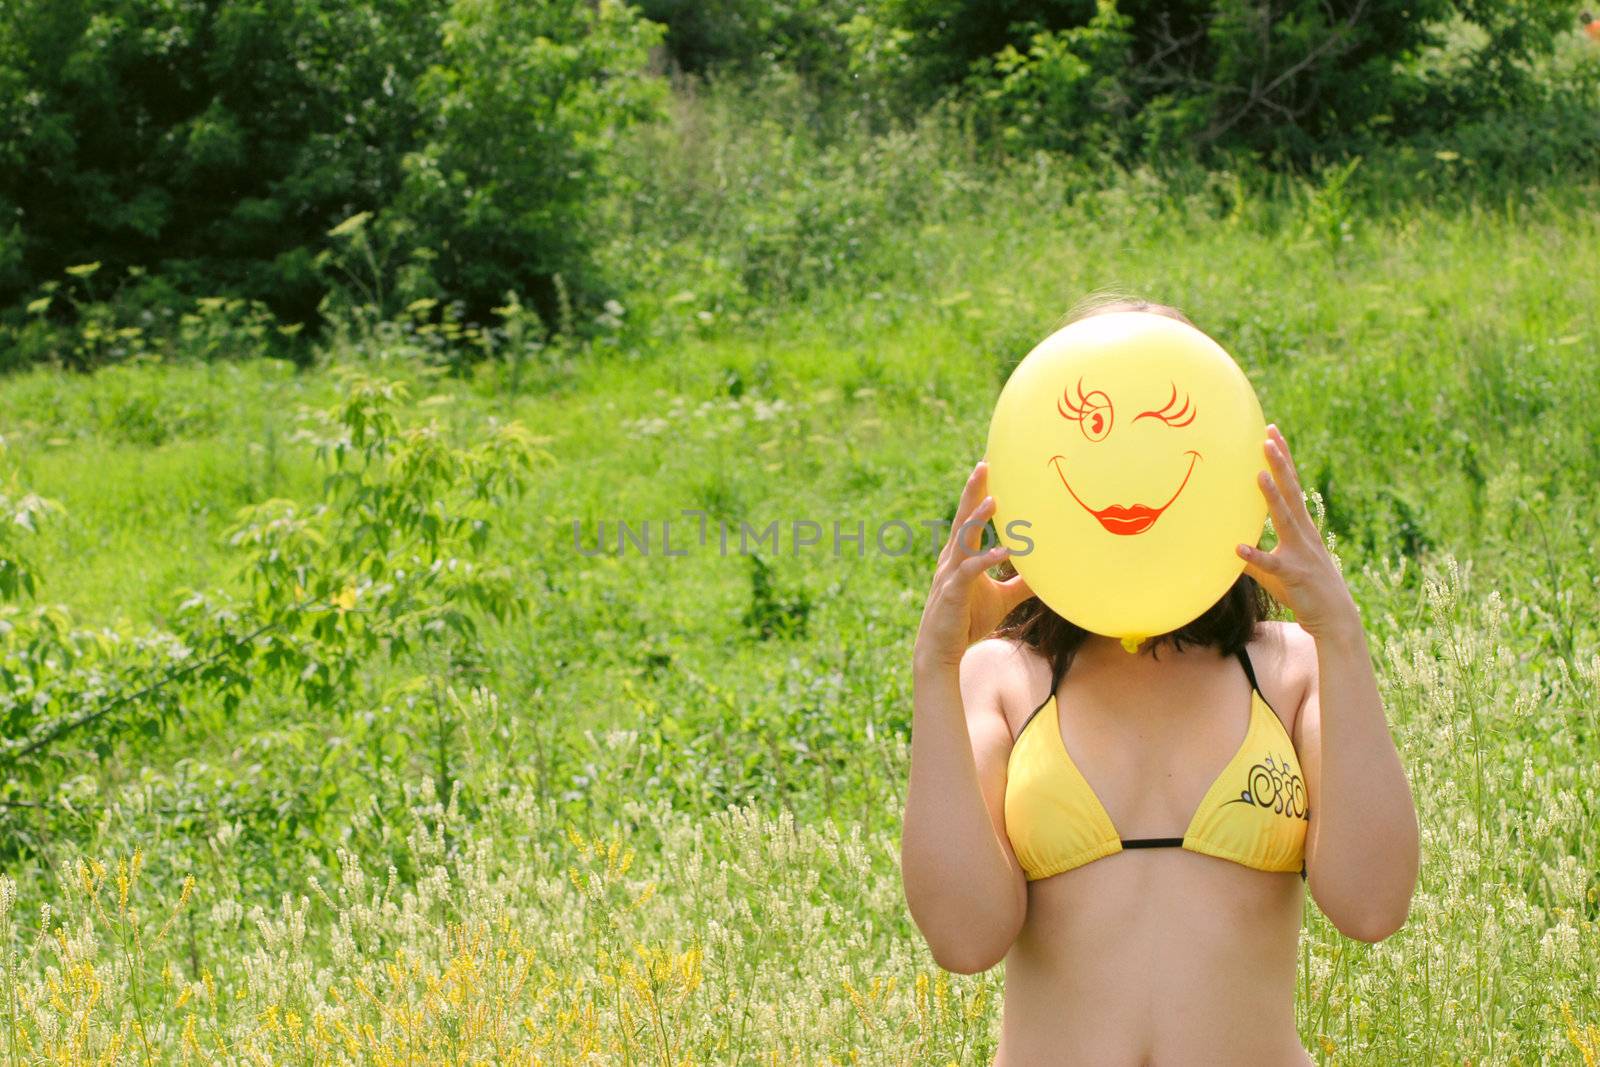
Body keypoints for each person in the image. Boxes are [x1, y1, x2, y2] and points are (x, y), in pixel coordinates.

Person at [900, 295, 1419, 1064]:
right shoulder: (1001, 678)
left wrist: (1341, 632)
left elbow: (1373, 905)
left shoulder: (1291, 668)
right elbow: (964, 939)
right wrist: (933, 669)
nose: (1128, 468)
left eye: (1168, 419)